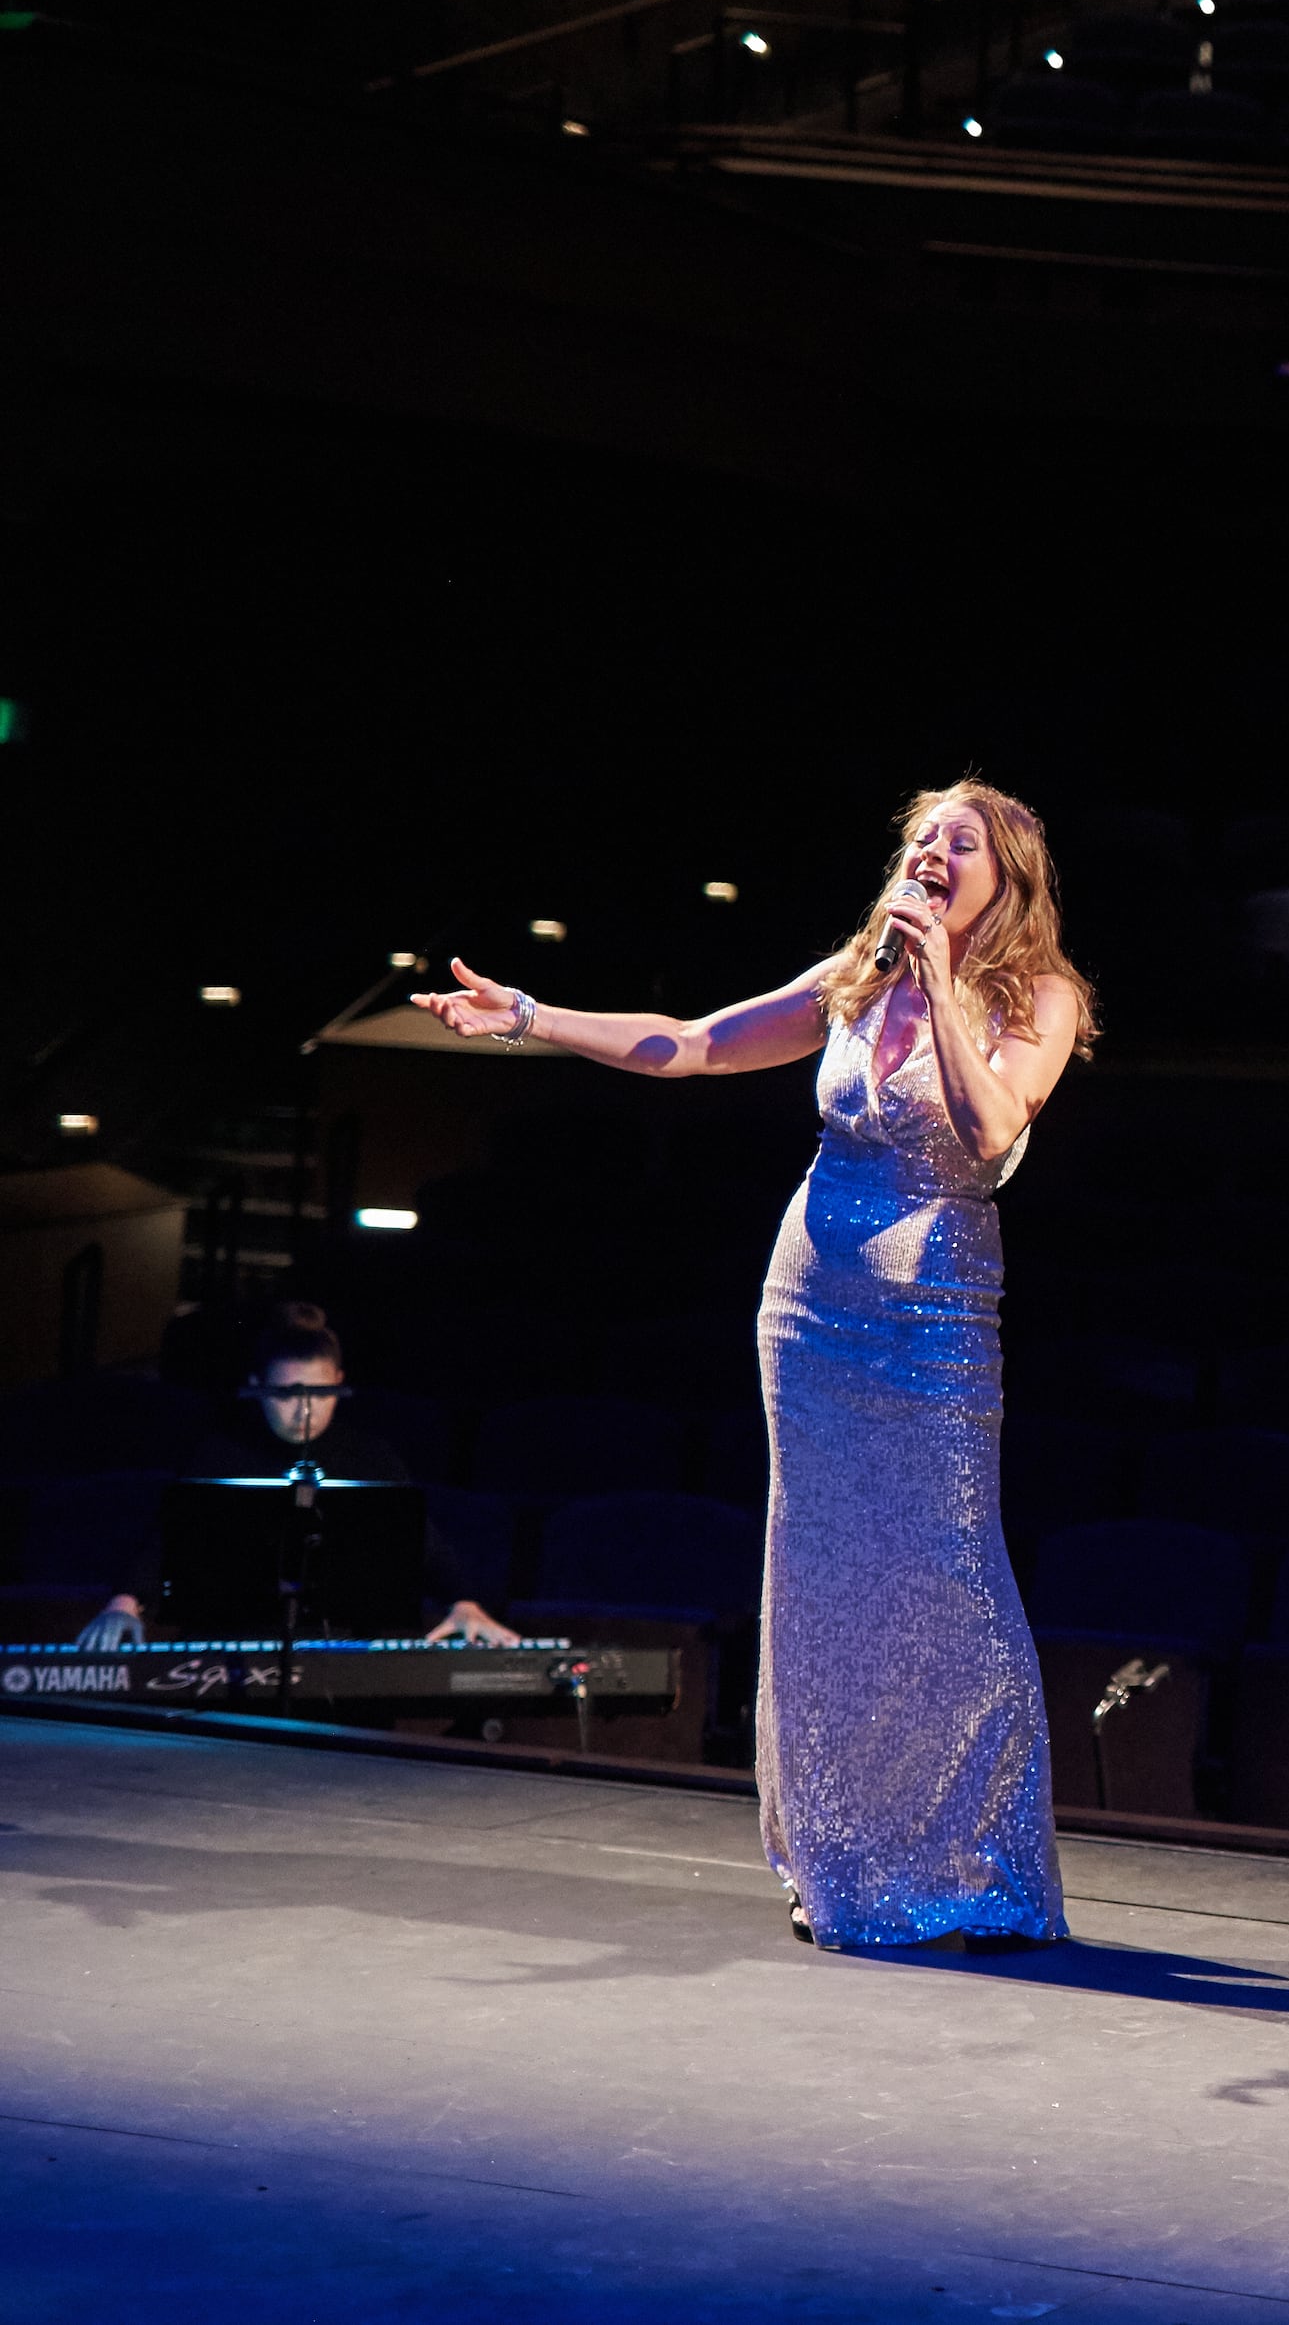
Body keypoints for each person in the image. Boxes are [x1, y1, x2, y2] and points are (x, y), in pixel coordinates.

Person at [413, 780, 1092, 1952]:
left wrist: (939, 986)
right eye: (922, 836)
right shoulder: (857, 973)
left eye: (960, 842)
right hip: (809, 1311)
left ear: (1010, 877)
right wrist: (533, 1015)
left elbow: (991, 1132)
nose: (931, 852)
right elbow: (700, 1045)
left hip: (932, 1316)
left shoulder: (1041, 994)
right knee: (819, 1574)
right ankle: (837, 1856)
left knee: (948, 1574)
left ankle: (977, 1867)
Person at [79, 1302, 512, 1647]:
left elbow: (424, 1545)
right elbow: (166, 1544)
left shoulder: (372, 1457)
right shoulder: (219, 1455)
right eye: (287, 1394)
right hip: (232, 1643)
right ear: (258, 1386)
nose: (304, 1410)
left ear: (339, 1383)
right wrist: (125, 1602)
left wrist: (465, 1601)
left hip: (346, 1644)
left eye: (320, 1394)